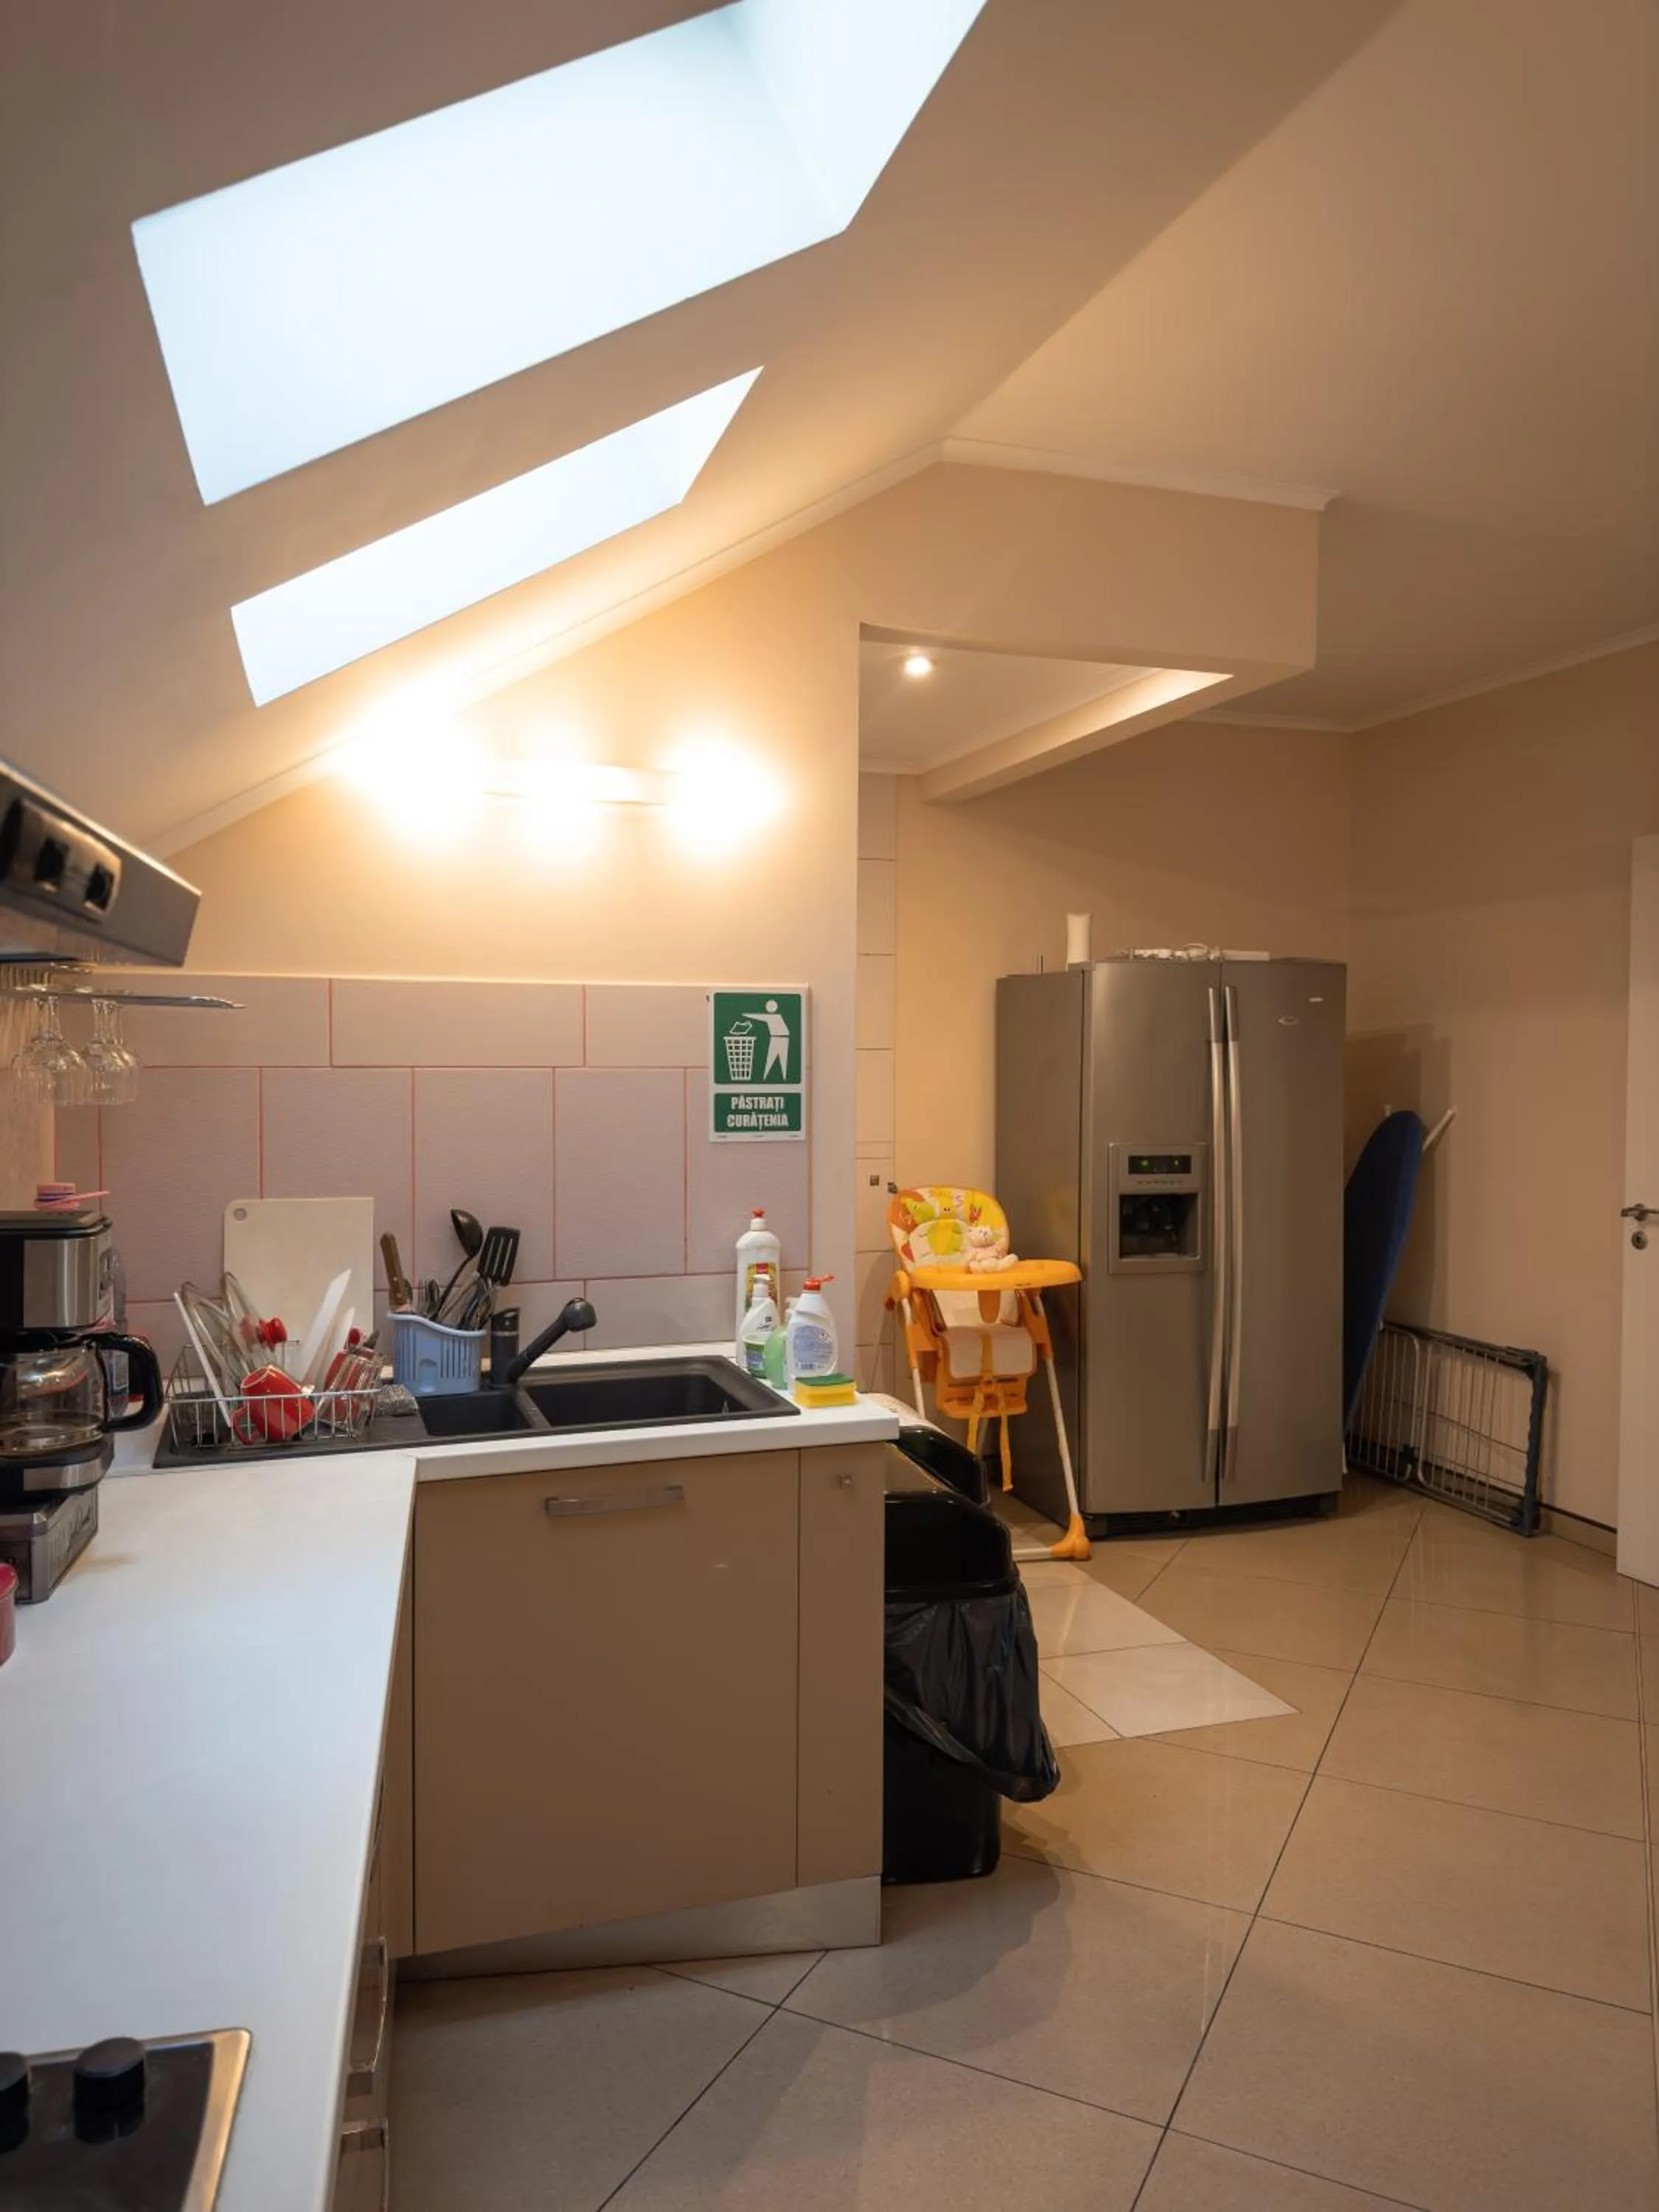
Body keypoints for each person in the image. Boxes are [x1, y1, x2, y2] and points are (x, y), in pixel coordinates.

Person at [748, 998, 792, 1080]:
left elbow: (761, 1017)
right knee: (771, 1060)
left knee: (779, 1060)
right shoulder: (775, 1016)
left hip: (782, 1038)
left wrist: (746, 1015)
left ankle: (782, 1078)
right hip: (778, 1038)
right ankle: (766, 1078)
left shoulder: (774, 1017)